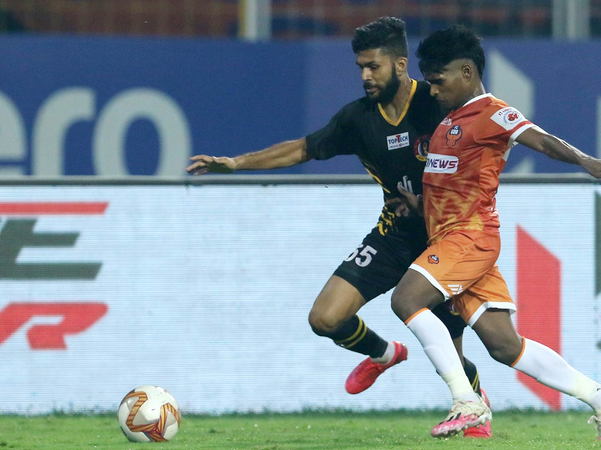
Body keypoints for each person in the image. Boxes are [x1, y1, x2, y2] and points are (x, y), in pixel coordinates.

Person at [185, 17, 492, 438]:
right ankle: (384, 354)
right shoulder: (357, 119)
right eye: (361, 67)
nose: (365, 76)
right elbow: (302, 149)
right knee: (325, 318)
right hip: (393, 237)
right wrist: (235, 164)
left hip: (445, 240)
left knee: (451, 356)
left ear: (401, 65)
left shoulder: (437, 102)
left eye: (374, 66)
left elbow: (483, 141)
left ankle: (476, 407)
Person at [389, 24, 601, 440]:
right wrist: (420, 206)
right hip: (454, 242)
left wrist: (586, 162)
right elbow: (452, 185)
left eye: (438, 80)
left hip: (469, 239)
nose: (432, 90)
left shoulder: (491, 112)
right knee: (504, 346)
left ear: (467, 72)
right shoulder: (449, 122)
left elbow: (539, 139)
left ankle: (467, 401)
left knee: (406, 299)